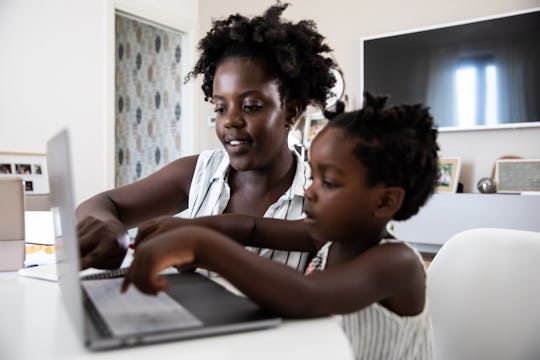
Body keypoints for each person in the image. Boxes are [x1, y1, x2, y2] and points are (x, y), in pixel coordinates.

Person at [122, 92, 438, 359]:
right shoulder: (326, 240)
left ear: (384, 202)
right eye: (312, 176)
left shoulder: (398, 263)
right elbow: (250, 227)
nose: (310, 190)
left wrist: (198, 242)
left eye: (328, 183)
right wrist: (185, 228)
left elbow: (307, 295)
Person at [76, 2, 336, 270]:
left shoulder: (319, 193)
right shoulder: (198, 173)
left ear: (291, 113)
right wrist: (108, 227)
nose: (230, 120)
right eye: (220, 108)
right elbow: (100, 204)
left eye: (250, 106)